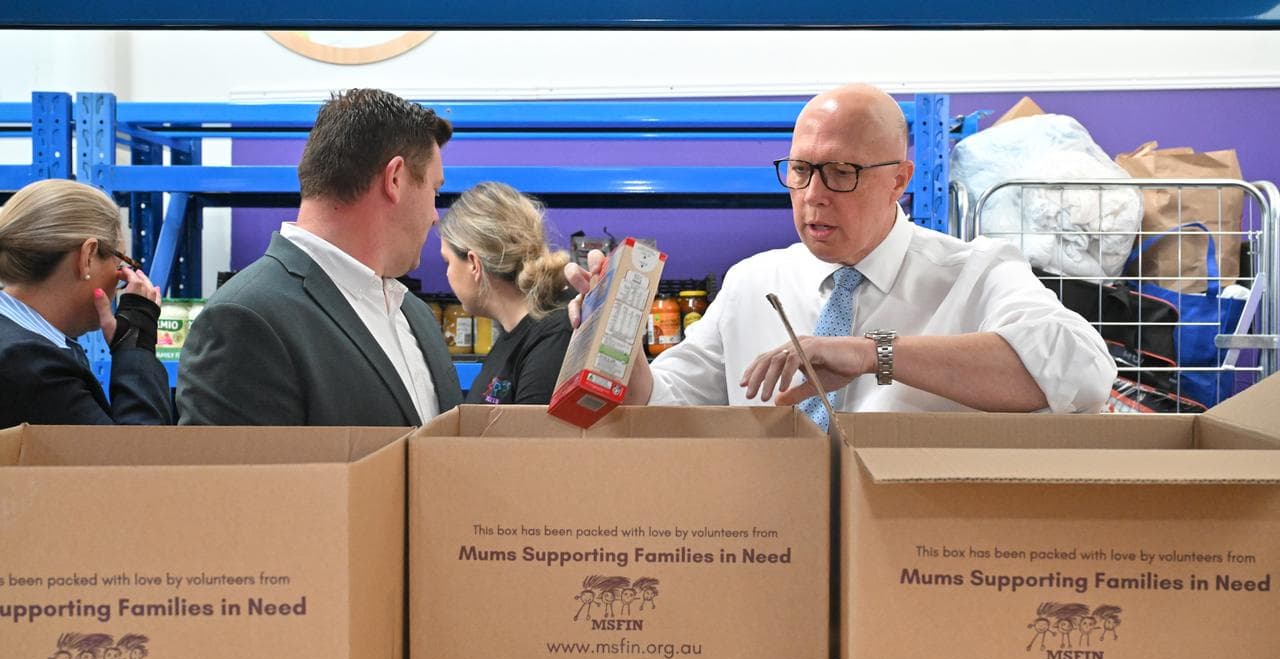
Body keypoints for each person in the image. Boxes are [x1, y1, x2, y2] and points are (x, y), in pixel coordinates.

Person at [567, 84, 1115, 423]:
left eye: (842, 172)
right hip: (771, 551)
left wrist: (874, 354)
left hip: (905, 560)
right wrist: (617, 348)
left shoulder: (976, 272)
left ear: (900, 180)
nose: (813, 195)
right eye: (802, 170)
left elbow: (1082, 373)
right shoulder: (752, 283)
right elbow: (663, 404)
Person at [177, 88, 462, 425]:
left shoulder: (413, 313)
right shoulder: (246, 320)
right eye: (435, 190)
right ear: (395, 178)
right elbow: (235, 477)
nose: (435, 215)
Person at [0, 178, 170, 427]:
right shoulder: (29, 364)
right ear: (87, 257)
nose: (120, 277)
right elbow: (137, 459)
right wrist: (136, 343)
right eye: (119, 262)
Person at [438, 182, 573, 405]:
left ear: (474, 264)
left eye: (448, 261)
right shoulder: (514, 335)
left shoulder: (554, 337)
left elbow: (533, 439)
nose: (448, 274)